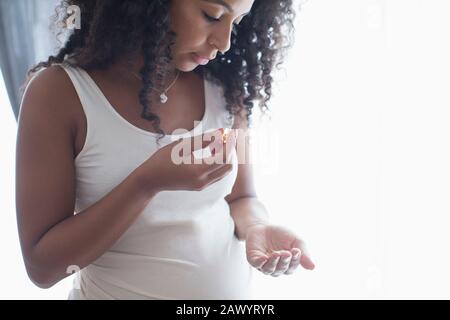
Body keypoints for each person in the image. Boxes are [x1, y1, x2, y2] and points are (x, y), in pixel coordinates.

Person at [15, 0, 315, 300]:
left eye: (236, 22)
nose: (223, 43)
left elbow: (243, 197)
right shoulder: (59, 93)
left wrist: (257, 228)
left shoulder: (226, 88)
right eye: (212, 15)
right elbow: (43, 269)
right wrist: (146, 183)